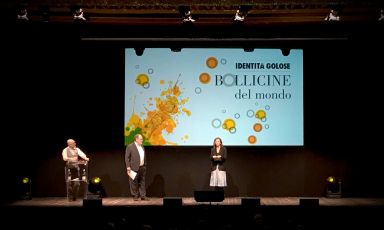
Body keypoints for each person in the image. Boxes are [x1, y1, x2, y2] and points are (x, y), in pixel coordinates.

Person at [125, 134, 149, 201]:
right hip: (133, 167)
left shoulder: (142, 146)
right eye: (141, 139)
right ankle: (135, 196)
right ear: (136, 139)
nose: (142, 140)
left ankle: (143, 196)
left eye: (142, 139)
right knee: (133, 182)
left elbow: (143, 156)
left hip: (142, 167)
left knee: (142, 182)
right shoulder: (130, 146)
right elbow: (127, 158)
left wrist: (145, 165)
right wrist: (128, 167)